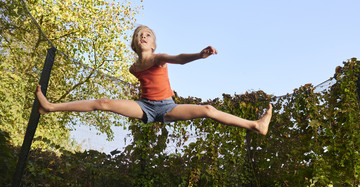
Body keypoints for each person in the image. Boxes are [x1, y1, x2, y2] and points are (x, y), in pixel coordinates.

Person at [36, 25, 272, 135]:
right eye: (139, 35)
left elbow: (178, 58)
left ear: (153, 42)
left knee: (208, 110)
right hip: (144, 107)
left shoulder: (159, 57)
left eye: (147, 34)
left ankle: (255, 125)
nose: (143, 37)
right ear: (135, 43)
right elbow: (144, 84)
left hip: (168, 107)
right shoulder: (133, 68)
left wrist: (199, 55)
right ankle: (50, 107)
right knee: (103, 103)